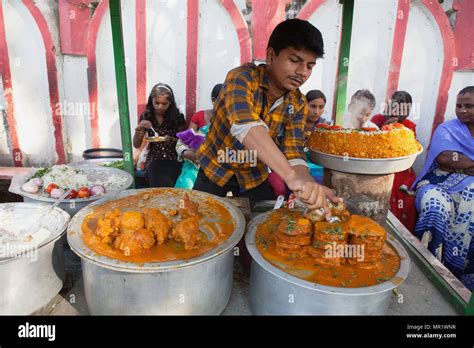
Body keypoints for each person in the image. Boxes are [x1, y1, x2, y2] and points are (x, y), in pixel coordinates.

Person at [194, 19, 341, 216]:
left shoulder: (297, 103)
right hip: (214, 170)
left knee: (263, 228)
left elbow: (294, 152)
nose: (302, 72)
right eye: (295, 60)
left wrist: (308, 184)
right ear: (271, 56)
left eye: (310, 65)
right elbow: (245, 126)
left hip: (254, 177)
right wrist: (290, 176)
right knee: (199, 225)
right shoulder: (241, 78)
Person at [413, 86, 474, 290]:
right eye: (459, 106)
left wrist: (461, 163)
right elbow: (445, 158)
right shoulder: (447, 129)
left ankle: (461, 277)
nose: (462, 110)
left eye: (469, 106)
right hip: (437, 183)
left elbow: (454, 160)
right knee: (434, 206)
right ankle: (429, 266)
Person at [371, 91, 417, 232]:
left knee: (407, 194)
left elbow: (413, 148)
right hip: (379, 165)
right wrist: (384, 128)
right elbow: (369, 144)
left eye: (405, 110)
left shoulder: (409, 126)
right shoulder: (378, 119)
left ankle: (402, 232)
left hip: (402, 167)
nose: (400, 113)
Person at [133, 83, 186, 187]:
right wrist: (138, 129)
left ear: (170, 103)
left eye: (164, 103)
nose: (160, 107)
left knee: (172, 183)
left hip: (174, 158)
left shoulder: (177, 117)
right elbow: (136, 144)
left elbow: (183, 142)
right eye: (156, 103)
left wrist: (171, 140)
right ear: (151, 100)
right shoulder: (147, 116)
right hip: (154, 159)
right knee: (157, 179)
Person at [175, 84, 223, 189]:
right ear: (214, 99)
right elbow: (185, 140)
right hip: (194, 164)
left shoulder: (232, 121)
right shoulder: (200, 116)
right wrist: (186, 153)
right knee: (186, 190)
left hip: (216, 168)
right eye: (222, 100)